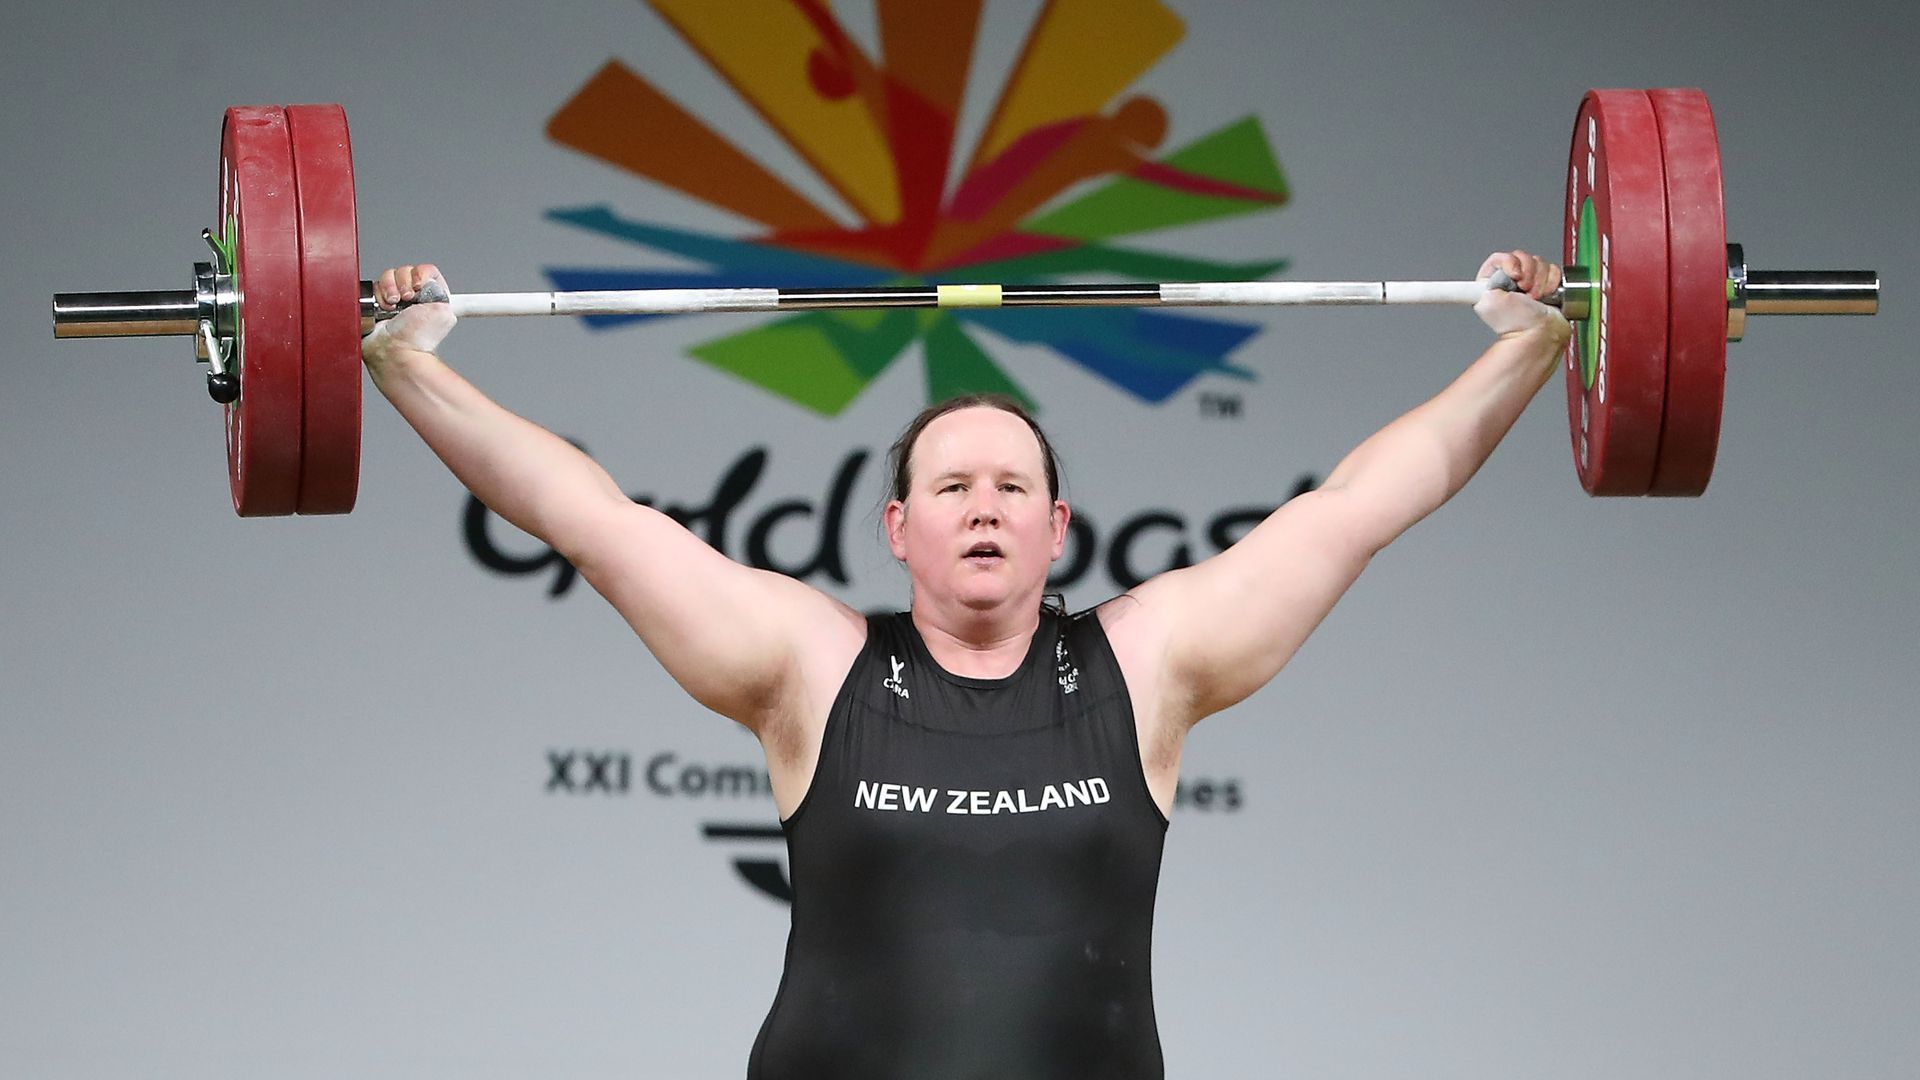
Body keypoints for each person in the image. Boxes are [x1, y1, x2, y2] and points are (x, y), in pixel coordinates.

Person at [361, 252, 1568, 1079]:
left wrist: (1532, 342)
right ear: (898, 531)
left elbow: (1358, 505)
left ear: (1059, 529)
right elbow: (592, 518)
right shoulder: (808, 669)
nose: (983, 508)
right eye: (950, 487)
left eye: (1013, 488)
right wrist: (404, 359)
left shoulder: (1145, 664)